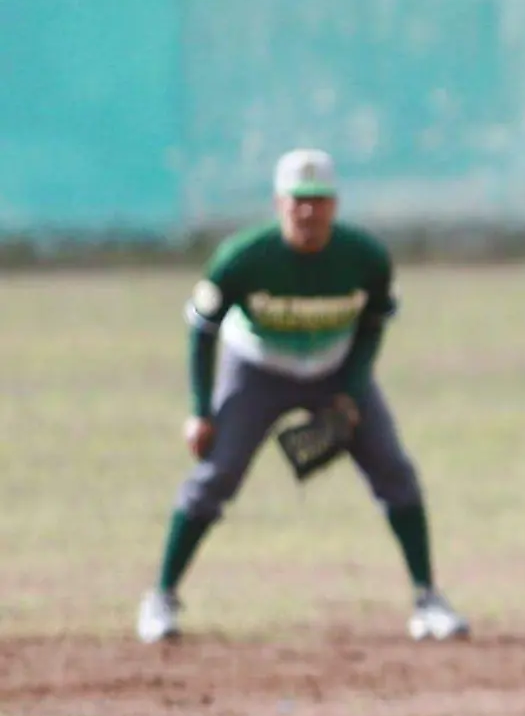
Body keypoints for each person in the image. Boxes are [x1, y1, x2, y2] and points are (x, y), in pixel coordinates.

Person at [135, 149, 470, 644]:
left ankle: (428, 599)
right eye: (298, 201)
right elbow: (202, 329)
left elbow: (374, 322)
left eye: (318, 201)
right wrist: (200, 411)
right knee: (216, 474)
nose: (308, 213)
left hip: (336, 370)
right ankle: (160, 599)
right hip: (256, 368)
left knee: (394, 471)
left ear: (334, 205)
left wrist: (353, 389)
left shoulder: (364, 257)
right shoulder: (244, 257)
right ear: (278, 204)